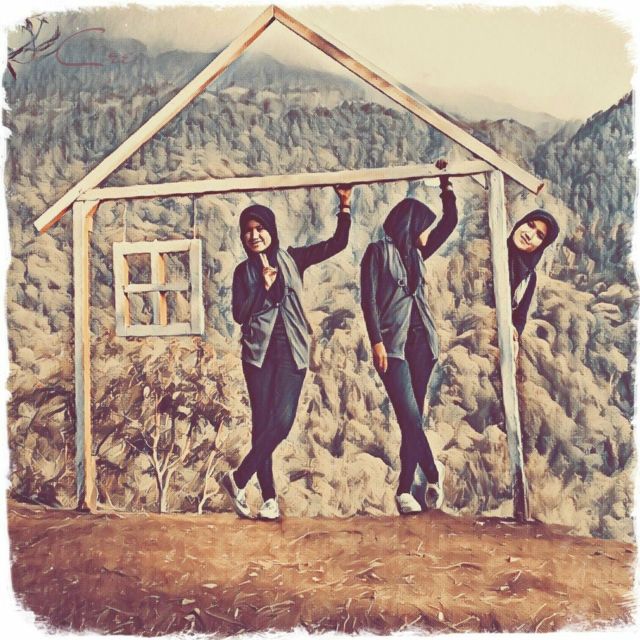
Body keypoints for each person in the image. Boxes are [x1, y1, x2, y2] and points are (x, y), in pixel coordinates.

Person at [222, 186, 352, 520]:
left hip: (292, 349)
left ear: (271, 229)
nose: (254, 236)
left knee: (281, 422)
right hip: (257, 354)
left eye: (260, 228)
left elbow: (337, 243)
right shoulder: (243, 272)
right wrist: (262, 289)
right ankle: (269, 499)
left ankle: (238, 479)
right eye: (248, 231)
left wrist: (344, 204)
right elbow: (239, 314)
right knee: (262, 424)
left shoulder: (294, 259)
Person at [360, 159, 457, 515]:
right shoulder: (377, 252)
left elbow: (450, 222)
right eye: (422, 227)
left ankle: (404, 490)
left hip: (423, 345)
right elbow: (368, 300)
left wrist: (446, 184)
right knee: (410, 417)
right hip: (393, 346)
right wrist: (376, 342)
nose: (426, 234)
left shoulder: (417, 254)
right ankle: (432, 472)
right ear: (410, 225)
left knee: (410, 420)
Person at [508, 209, 559, 356]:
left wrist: (514, 335)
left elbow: (519, 319)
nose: (529, 235)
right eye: (530, 225)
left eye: (539, 235)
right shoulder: (487, 248)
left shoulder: (529, 278)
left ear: (541, 246)